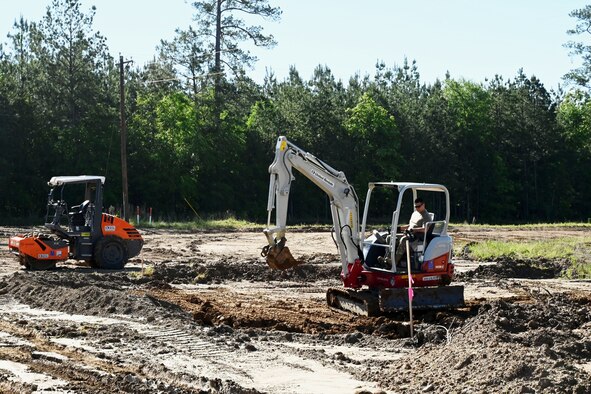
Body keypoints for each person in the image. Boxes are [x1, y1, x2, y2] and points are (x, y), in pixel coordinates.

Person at [395, 197, 431, 267]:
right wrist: (398, 228)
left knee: (403, 239)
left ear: (423, 205)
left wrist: (414, 230)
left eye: (418, 206)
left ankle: (394, 262)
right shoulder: (415, 214)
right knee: (391, 237)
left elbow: (425, 229)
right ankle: (387, 259)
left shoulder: (426, 216)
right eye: (415, 206)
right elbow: (410, 225)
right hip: (409, 235)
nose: (417, 208)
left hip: (417, 239)